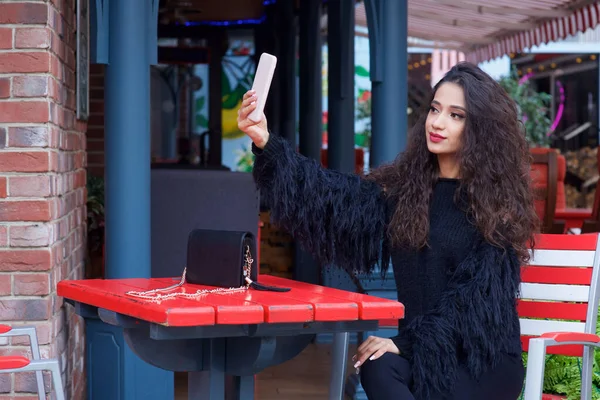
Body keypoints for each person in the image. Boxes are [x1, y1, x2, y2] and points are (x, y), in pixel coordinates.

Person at [237, 62, 538, 400]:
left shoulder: (495, 209)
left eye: (456, 116)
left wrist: (404, 342)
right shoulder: (408, 192)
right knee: (376, 364)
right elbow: (333, 199)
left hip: (482, 364)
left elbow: (472, 308)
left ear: (480, 129)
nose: (437, 123)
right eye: (435, 109)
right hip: (422, 354)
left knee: (410, 372)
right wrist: (267, 143)